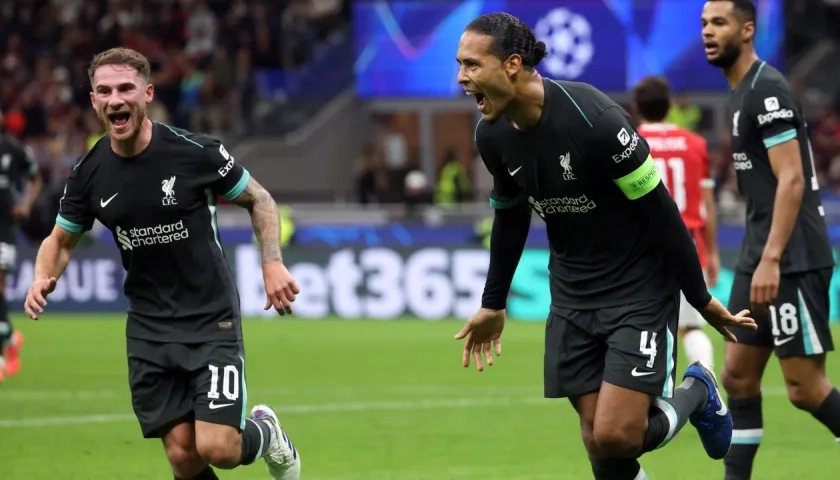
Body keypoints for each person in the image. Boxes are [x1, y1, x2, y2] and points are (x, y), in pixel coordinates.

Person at [452, 12, 757, 479]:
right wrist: (493, 303)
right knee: (599, 444)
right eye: (460, 65)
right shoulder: (491, 136)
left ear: (512, 64)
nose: (461, 78)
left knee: (618, 435)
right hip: (573, 292)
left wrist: (699, 298)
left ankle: (698, 389)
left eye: (472, 65)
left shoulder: (593, 117)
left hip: (638, 288)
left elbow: (662, 211)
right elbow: (510, 215)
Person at [23, 48, 301, 480]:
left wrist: (272, 262)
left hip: (210, 321)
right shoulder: (88, 173)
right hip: (149, 327)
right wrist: (43, 276)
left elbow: (259, 200)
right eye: (104, 91)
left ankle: (266, 433)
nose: (115, 99)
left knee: (219, 448)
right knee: (183, 458)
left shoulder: (194, 153)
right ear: (94, 101)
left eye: (125, 89)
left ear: (147, 93)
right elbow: (60, 240)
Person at [702, 1, 840, 478]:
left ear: (747, 28)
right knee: (738, 376)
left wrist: (772, 259)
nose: (708, 32)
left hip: (791, 258)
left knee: (804, 388)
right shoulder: (741, 92)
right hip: (759, 254)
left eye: (718, 23)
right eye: (703, 24)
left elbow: (793, 181)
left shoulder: (768, 89)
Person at [632, 76, 720, 369]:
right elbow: (707, 204)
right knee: (691, 327)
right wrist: (714, 253)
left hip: (643, 246)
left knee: (640, 327)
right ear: (669, 105)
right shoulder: (696, 144)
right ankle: (709, 392)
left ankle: (644, 398)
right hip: (689, 243)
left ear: (636, 107)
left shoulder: (630, 142)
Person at [0, 111, 42, 384]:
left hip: (4, 227)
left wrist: (26, 204)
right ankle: (10, 337)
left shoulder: (13, 149)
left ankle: (3, 351)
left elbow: (36, 176)